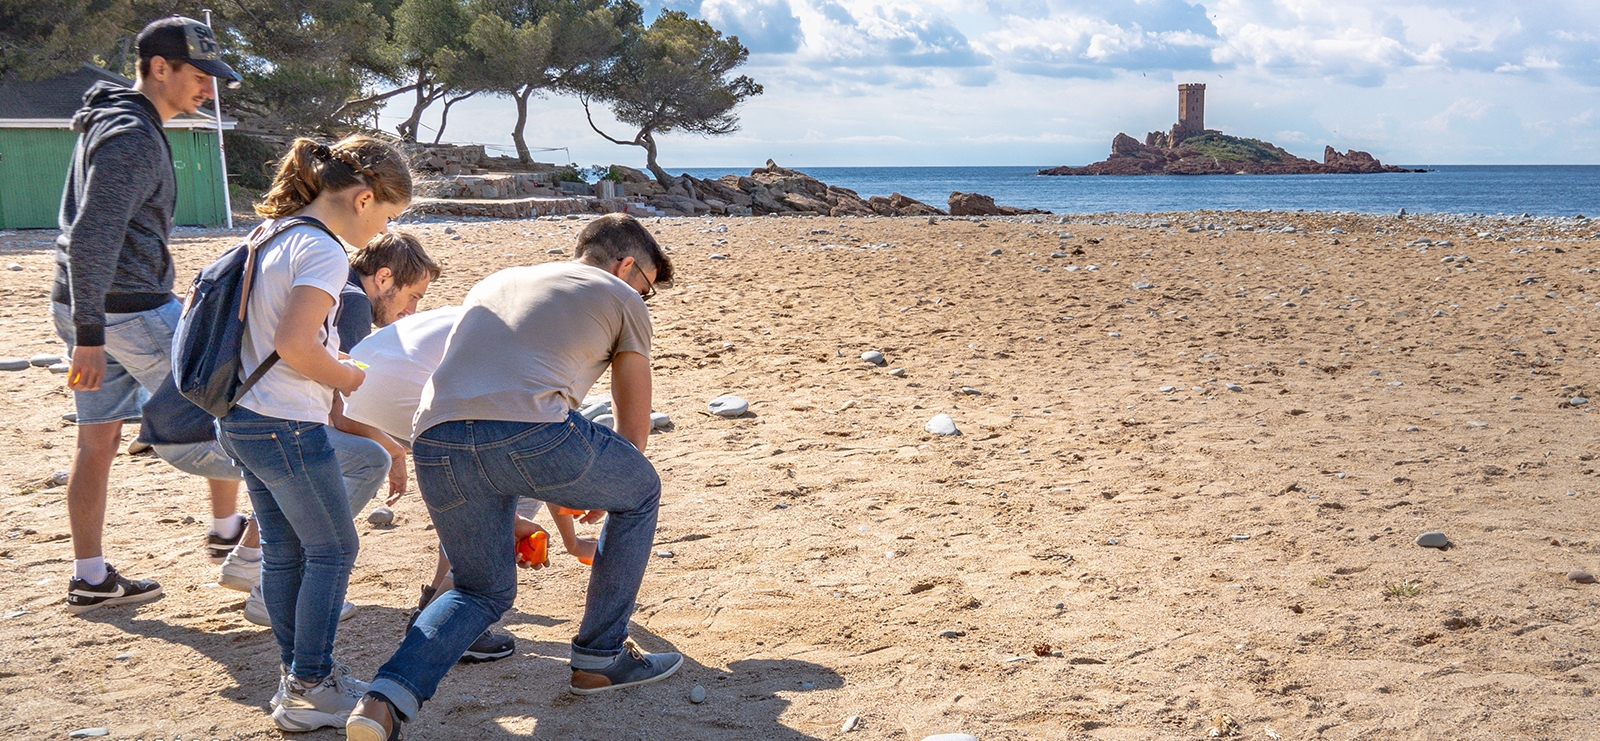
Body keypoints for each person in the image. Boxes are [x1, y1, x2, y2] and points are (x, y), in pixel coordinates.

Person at [347, 213, 676, 741]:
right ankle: (600, 657)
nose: (645, 297)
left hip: (434, 439)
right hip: (531, 432)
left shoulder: (498, 280)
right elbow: (632, 432)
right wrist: (596, 487)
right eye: (648, 286)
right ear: (628, 265)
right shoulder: (621, 295)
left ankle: (382, 699)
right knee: (640, 492)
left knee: (479, 589)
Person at [134, 232, 441, 625]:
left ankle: (248, 562)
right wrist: (397, 449)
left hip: (179, 424)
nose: (413, 311)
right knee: (365, 459)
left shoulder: (321, 280)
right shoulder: (350, 302)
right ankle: (282, 587)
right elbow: (337, 415)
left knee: (298, 456)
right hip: (215, 432)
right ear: (383, 278)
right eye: (414, 296)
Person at [217, 134, 411, 733]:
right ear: (361, 198)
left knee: (287, 551)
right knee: (334, 549)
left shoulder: (272, 233)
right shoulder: (323, 250)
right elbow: (296, 345)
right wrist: (350, 376)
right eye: (387, 216)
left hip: (242, 416)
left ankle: (299, 678)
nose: (381, 231)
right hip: (284, 423)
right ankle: (309, 687)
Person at [55, 15, 243, 615]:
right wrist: (92, 335)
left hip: (84, 305)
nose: (208, 89)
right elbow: (92, 236)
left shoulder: (110, 116)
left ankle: (91, 576)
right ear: (159, 68)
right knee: (231, 400)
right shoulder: (133, 137)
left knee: (98, 440)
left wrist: (87, 327)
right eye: (199, 75)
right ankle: (239, 540)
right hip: (123, 311)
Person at [343, 306, 599, 662]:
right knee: (500, 484)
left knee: (476, 487)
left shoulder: (502, 314)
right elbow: (545, 454)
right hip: (403, 384)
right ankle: (446, 627)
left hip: (355, 375)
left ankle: (435, 595)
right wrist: (570, 542)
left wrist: (568, 540)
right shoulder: (547, 354)